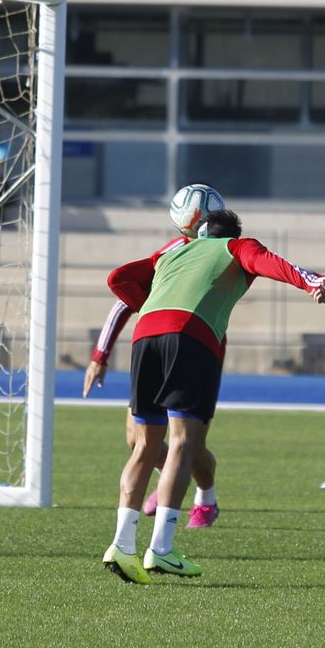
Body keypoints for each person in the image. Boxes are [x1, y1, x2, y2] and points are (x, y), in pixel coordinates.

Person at [100, 208, 325, 583]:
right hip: (190, 336)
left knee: (143, 446)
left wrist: (150, 305)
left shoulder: (172, 252)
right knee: (182, 445)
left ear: (200, 230)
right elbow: (273, 264)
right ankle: (162, 550)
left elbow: (118, 278)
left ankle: (122, 546)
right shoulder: (237, 247)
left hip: (145, 336)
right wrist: (314, 283)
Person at [85, 193, 222, 530]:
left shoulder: (224, 251)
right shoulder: (170, 252)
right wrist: (99, 356)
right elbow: (123, 301)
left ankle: (206, 498)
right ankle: (170, 480)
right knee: (138, 438)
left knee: (189, 441)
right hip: (155, 347)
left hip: (197, 346)